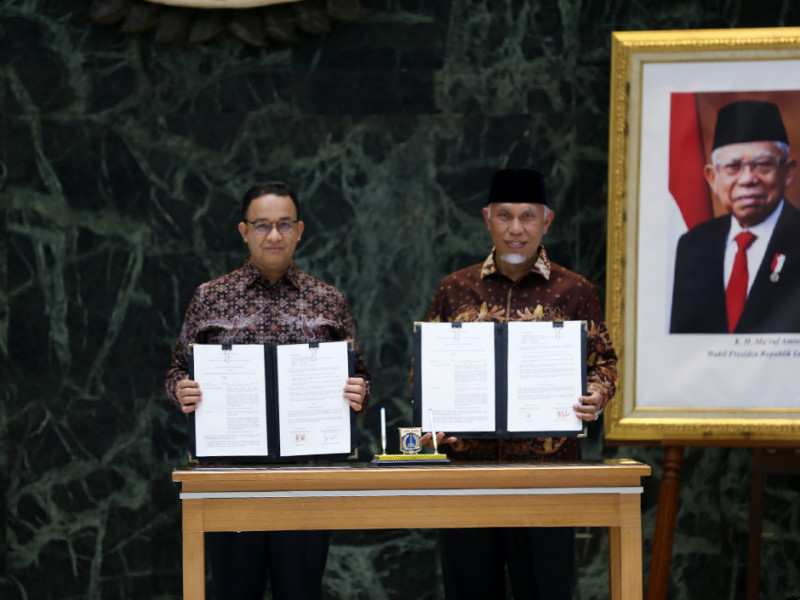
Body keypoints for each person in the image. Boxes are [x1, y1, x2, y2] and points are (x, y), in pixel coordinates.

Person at [165, 180, 370, 600]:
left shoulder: (328, 300)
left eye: (284, 224)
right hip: (231, 480)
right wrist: (180, 390)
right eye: (262, 225)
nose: (273, 235)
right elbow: (177, 370)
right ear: (244, 231)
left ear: (300, 230)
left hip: (306, 480)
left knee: (301, 591)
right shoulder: (210, 297)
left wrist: (359, 392)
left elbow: (361, 376)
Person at [419, 168, 618, 600]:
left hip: (547, 476)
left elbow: (604, 363)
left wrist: (596, 395)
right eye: (504, 215)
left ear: (547, 221)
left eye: (527, 216)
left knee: (546, 589)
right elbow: (426, 371)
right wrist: (429, 424)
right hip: (467, 474)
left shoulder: (575, 291)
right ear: (487, 218)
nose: (515, 229)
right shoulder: (455, 289)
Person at [670, 100, 800, 334]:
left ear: (787, 172)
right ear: (712, 178)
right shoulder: (693, 245)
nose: (747, 179)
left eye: (763, 164)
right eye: (733, 166)